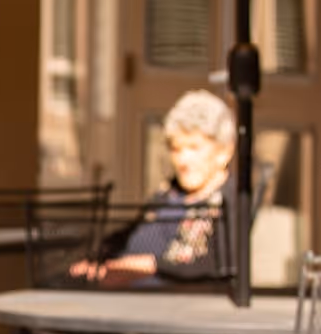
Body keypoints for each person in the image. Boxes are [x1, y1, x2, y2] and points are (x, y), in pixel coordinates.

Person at [73, 89, 238, 287]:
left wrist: (143, 267)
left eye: (194, 147)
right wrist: (98, 260)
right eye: (176, 148)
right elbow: (129, 234)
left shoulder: (230, 199)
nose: (183, 160)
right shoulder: (169, 192)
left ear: (224, 152)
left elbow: (217, 265)